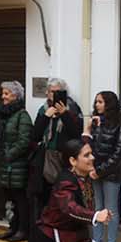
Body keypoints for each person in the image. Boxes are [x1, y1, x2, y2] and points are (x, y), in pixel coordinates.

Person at [27, 83, 83, 231]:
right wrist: (46, 116)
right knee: (44, 194)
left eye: (58, 92)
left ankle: (61, 228)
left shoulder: (73, 108)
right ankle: (45, 228)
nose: (54, 94)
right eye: (51, 91)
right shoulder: (44, 109)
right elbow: (35, 135)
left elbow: (76, 133)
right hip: (46, 157)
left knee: (62, 194)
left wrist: (64, 114)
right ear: (47, 93)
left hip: (64, 158)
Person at [85, 90, 121, 242]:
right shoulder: (96, 122)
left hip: (111, 173)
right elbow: (88, 146)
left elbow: (119, 152)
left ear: (109, 104)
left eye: (101, 102)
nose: (97, 105)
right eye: (96, 102)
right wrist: (91, 168)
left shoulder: (119, 122)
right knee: (97, 208)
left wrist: (100, 170)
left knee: (111, 209)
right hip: (94, 171)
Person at [0, 80, 33, 242]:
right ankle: (13, 227)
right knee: (10, 198)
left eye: (6, 93)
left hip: (16, 164)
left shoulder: (22, 116)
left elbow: (24, 141)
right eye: (3, 93)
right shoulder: (5, 115)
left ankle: (22, 230)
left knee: (20, 198)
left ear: (15, 96)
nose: (3, 96)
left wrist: (9, 155)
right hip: (3, 164)